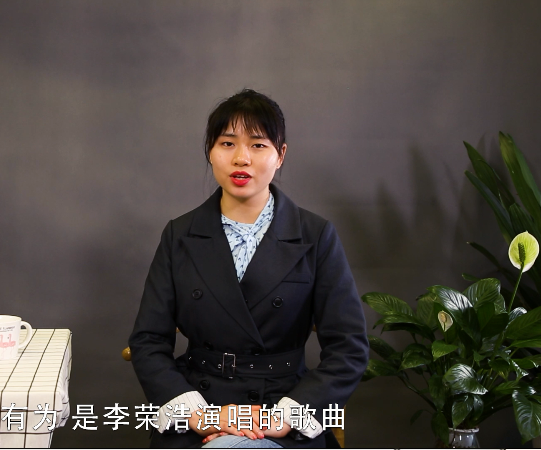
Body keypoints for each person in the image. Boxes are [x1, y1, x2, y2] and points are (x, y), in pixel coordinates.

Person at [128, 89, 369, 448]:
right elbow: (148, 340)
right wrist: (199, 414)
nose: (241, 158)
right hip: (201, 404)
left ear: (280, 155)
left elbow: (349, 347)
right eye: (227, 143)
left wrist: (286, 416)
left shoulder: (315, 235)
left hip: (281, 407)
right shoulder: (180, 234)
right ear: (210, 151)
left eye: (258, 145)